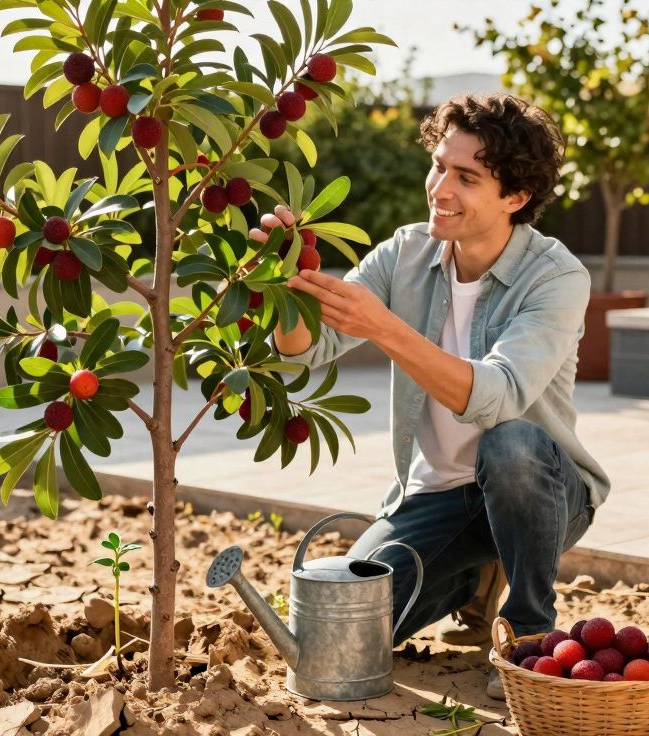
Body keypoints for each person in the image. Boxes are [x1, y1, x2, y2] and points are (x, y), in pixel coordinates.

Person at [255, 93, 611, 697]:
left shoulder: (555, 278)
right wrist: (283, 284)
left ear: (516, 197)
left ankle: (527, 635)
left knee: (512, 444)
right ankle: (471, 579)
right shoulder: (406, 253)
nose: (440, 187)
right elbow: (306, 352)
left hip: (543, 493)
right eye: (439, 165)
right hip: (434, 497)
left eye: (466, 177)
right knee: (341, 635)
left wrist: (385, 328)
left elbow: (497, 397)